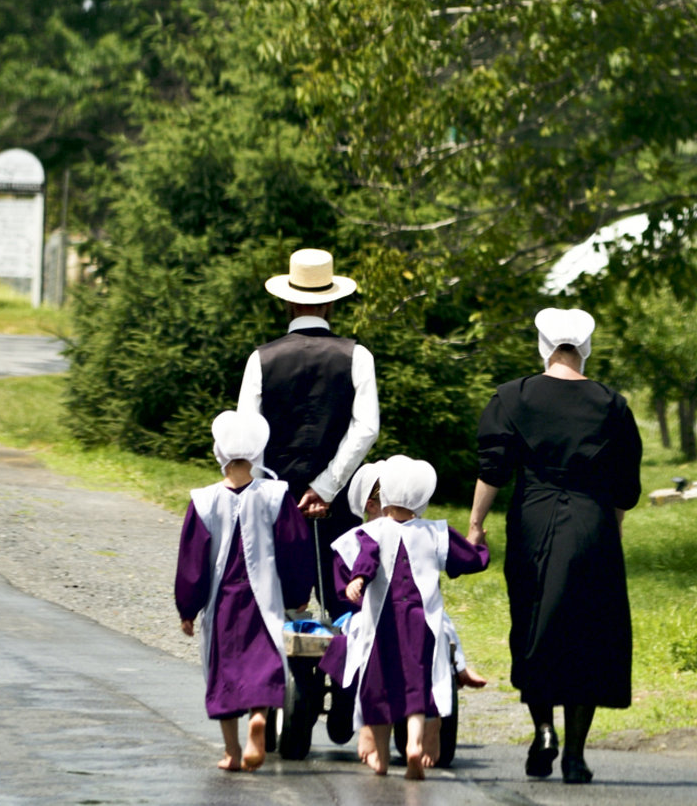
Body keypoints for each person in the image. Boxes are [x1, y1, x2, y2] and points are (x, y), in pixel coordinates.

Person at [467, 308, 643, 784]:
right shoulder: (612, 404)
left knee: (532, 622)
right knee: (588, 631)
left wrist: (476, 524)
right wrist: (614, 528)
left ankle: (543, 729)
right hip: (592, 522)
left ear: (543, 346)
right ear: (586, 348)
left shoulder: (511, 397)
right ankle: (576, 755)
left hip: (533, 518)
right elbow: (625, 485)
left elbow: (493, 469)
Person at [238, 248, 380, 620]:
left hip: (278, 500)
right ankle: (345, 676)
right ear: (331, 304)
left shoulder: (261, 359)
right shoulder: (358, 355)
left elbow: (248, 437)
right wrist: (327, 487)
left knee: (282, 603)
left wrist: (266, 495)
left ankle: (297, 678)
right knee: (345, 602)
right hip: (339, 501)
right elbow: (366, 428)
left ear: (286, 300)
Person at [319, 461, 487, 771]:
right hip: (419, 621)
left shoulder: (369, 533)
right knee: (421, 677)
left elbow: (361, 564)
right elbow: (469, 559)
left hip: (380, 621)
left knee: (377, 682)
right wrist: (479, 545)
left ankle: (378, 750)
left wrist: (357, 580)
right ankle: (415, 740)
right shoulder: (434, 531)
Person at [174, 410, 315, 771]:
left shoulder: (203, 501)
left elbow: (192, 561)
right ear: (257, 453)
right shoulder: (275, 495)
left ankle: (231, 750)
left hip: (222, 602)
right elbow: (294, 547)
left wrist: (187, 608)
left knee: (225, 672)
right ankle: (259, 717)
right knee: (262, 662)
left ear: (219, 452)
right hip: (262, 601)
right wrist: (299, 593)